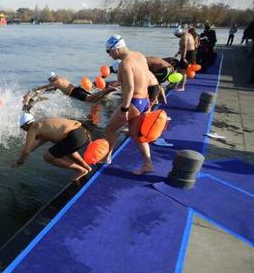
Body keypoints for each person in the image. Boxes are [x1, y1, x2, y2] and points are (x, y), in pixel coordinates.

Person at [103, 34, 155, 175]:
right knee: (136, 134)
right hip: (144, 100)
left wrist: (125, 108)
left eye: (109, 51)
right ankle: (148, 164)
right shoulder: (140, 55)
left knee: (110, 129)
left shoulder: (124, 63)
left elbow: (130, 88)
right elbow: (148, 78)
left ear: (116, 49)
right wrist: (148, 102)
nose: (109, 55)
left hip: (133, 102)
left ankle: (106, 157)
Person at [14, 114, 93, 181]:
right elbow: (46, 137)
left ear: (26, 124)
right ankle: (86, 167)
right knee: (64, 147)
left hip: (75, 137)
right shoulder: (42, 122)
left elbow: (26, 151)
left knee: (47, 157)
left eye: (22, 127)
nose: (22, 129)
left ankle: (81, 170)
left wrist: (19, 163)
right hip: (83, 132)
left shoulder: (32, 129)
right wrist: (33, 148)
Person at [30, 73, 117, 103]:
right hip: (77, 89)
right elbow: (56, 88)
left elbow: (46, 87)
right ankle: (107, 92)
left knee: (91, 99)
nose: (49, 81)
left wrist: (36, 89)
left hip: (75, 92)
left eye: (49, 79)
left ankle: (108, 89)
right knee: (94, 99)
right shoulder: (61, 79)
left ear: (51, 78)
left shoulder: (55, 82)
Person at [174, 27, 196, 91]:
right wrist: (178, 53)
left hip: (188, 55)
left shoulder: (184, 36)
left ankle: (182, 86)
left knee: (182, 71)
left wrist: (183, 58)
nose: (177, 37)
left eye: (176, 35)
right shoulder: (188, 34)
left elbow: (184, 47)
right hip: (191, 53)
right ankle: (180, 84)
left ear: (178, 33)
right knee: (181, 69)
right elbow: (186, 46)